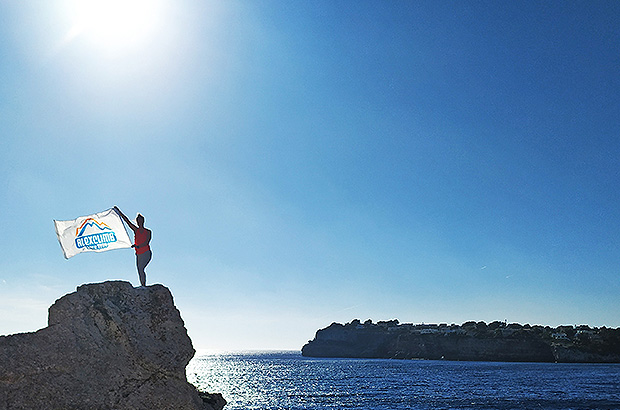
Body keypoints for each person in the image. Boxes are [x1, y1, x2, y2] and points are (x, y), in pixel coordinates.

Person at [114, 206, 152, 287]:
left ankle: (144, 286)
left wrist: (137, 246)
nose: (139, 222)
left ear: (143, 221)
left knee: (141, 268)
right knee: (139, 270)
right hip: (138, 254)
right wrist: (119, 211)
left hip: (146, 253)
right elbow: (127, 221)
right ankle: (143, 285)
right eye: (138, 221)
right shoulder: (136, 230)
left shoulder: (148, 231)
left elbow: (146, 242)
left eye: (140, 220)